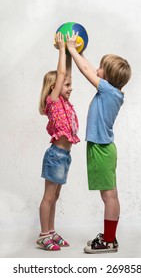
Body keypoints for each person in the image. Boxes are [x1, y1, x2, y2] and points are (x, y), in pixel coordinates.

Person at [66, 31, 131, 254]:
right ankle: (109, 237)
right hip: (103, 148)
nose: (97, 69)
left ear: (108, 78)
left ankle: (109, 241)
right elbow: (93, 69)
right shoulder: (113, 91)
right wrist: (81, 52)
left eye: (102, 68)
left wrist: (73, 50)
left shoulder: (106, 90)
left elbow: (86, 71)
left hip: (102, 150)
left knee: (109, 195)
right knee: (110, 194)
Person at [37, 32, 80, 251]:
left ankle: (51, 232)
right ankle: (44, 235)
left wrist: (72, 50)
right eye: (66, 85)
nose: (70, 87)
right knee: (48, 196)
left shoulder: (64, 101)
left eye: (70, 84)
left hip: (65, 156)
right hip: (55, 155)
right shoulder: (53, 101)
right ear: (55, 86)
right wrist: (62, 48)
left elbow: (66, 71)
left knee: (56, 196)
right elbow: (62, 72)